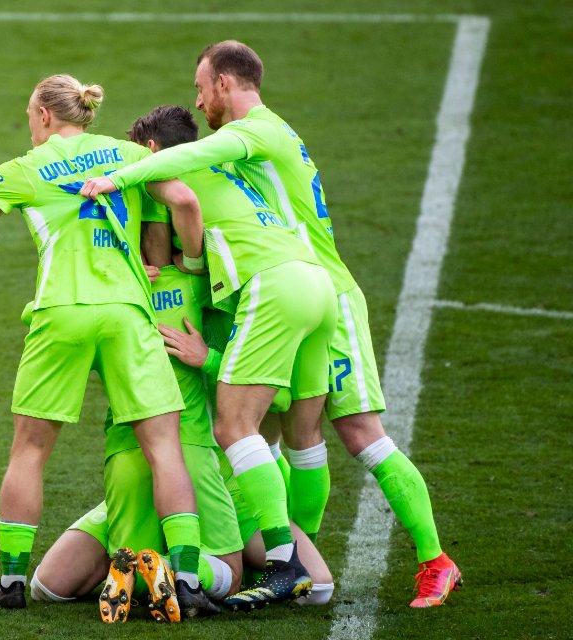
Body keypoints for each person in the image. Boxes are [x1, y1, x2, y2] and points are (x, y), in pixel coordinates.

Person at [87, 41, 461, 608]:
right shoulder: (248, 159)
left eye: (201, 86)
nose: (198, 97)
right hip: (315, 285)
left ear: (224, 84)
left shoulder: (255, 132)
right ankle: (300, 563)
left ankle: (321, 562)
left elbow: (182, 181)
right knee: (299, 436)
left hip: (308, 284)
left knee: (288, 430)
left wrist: (123, 173)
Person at [0, 74, 215, 618]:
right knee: (165, 448)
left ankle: (12, 583)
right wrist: (188, 260)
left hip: (60, 314)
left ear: (44, 115)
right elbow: (183, 197)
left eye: (28, 113)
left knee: (31, 450)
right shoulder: (126, 153)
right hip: (127, 315)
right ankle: (186, 583)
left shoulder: (21, 170)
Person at [82, 89, 341, 611]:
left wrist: (207, 358)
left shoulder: (208, 283)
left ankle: (253, 562)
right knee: (292, 446)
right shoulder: (210, 271)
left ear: (151, 151)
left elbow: (179, 199)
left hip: (198, 464)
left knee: (237, 434)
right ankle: (210, 567)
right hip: (313, 282)